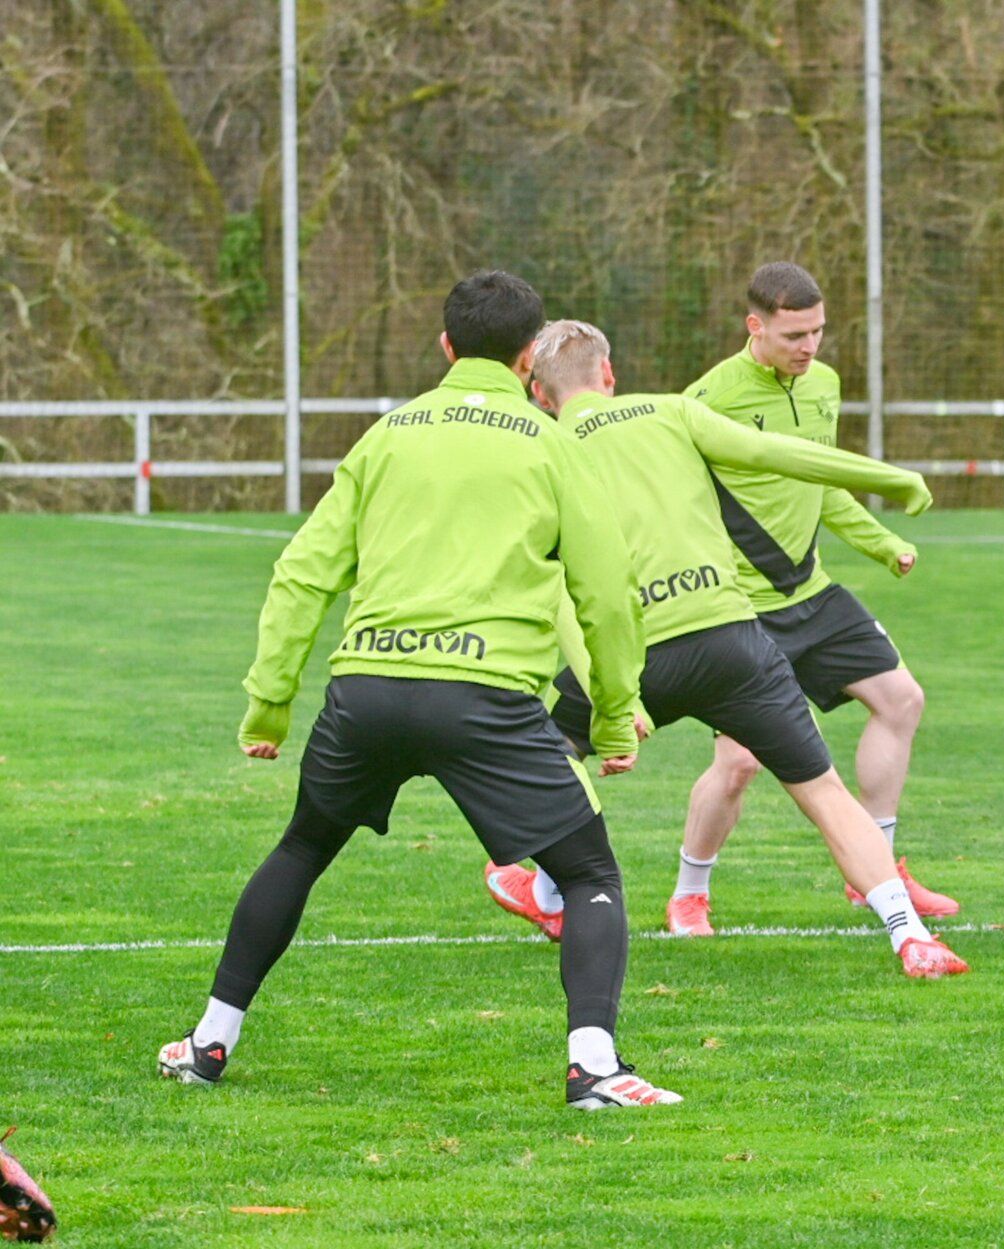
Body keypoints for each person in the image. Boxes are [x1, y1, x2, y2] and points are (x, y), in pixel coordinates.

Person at [158, 271, 682, 1110]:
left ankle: (208, 1042)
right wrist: (615, 716)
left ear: (445, 345)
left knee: (302, 847)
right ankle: (593, 1066)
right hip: (483, 696)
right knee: (587, 872)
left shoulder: (386, 436)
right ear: (528, 357)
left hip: (366, 688)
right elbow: (607, 593)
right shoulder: (553, 445)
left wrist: (270, 703)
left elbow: (302, 574)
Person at [483, 319, 969, 979]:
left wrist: (613, 696)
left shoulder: (541, 448)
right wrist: (892, 478)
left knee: (540, 752)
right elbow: (779, 454)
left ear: (539, 394)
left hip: (637, 654)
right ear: (609, 373)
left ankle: (545, 892)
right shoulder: (673, 412)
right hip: (733, 640)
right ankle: (910, 936)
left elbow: (554, 585)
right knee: (824, 791)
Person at [645, 262, 954, 937]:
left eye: (817, 331)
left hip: (812, 592)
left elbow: (820, 481)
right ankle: (689, 893)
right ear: (754, 326)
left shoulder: (825, 385)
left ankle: (874, 868)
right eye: (793, 335)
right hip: (740, 608)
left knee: (901, 700)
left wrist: (881, 544)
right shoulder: (706, 399)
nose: (809, 347)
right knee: (738, 762)